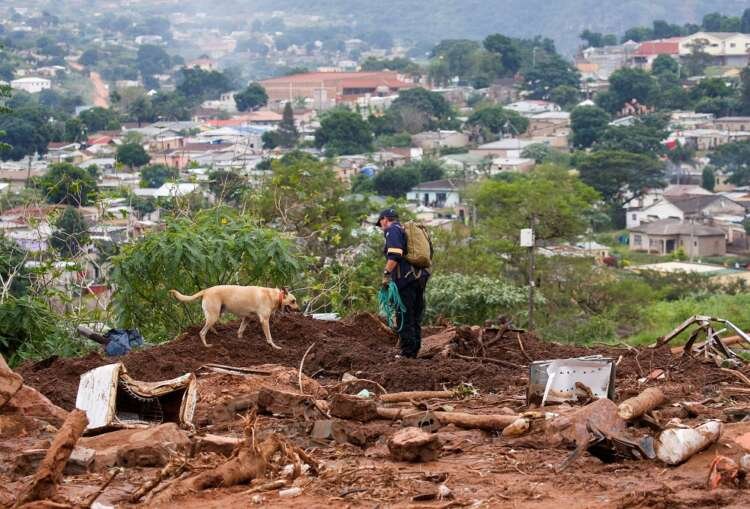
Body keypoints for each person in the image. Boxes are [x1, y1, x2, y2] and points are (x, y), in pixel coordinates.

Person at [376, 208, 429, 358]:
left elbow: (395, 254)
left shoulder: (392, 230)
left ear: (385, 219)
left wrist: (386, 275)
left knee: (404, 315)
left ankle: (407, 354)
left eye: (380, 223)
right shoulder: (404, 230)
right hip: (420, 277)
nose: (381, 227)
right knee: (415, 315)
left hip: (406, 279)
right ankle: (414, 350)